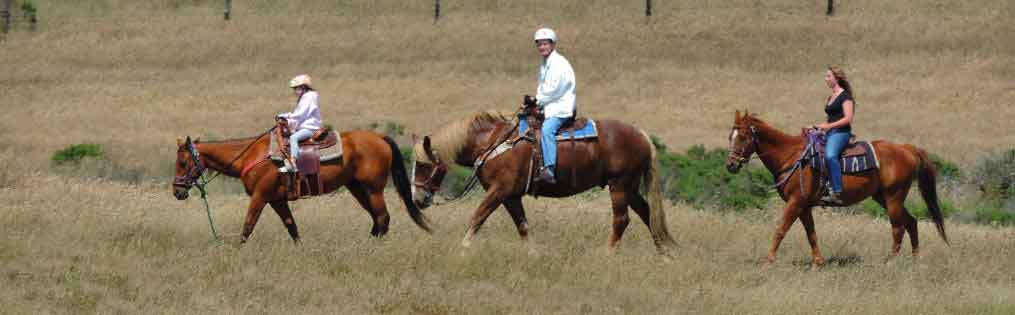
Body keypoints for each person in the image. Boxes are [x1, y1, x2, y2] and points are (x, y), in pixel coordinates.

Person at [528, 28, 576, 184]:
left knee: (547, 130)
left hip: (561, 107)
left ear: (553, 45)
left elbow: (554, 89)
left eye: (545, 44)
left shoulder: (558, 63)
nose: (542, 47)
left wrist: (537, 100)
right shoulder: (545, 63)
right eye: (539, 45)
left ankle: (549, 168)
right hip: (550, 105)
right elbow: (543, 87)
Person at [814, 66, 855, 204]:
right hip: (830, 132)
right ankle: (820, 186)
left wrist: (828, 127)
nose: (826, 79)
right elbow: (830, 118)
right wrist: (818, 128)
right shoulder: (831, 97)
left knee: (830, 155)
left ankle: (836, 192)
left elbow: (848, 118)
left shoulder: (845, 96)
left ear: (836, 78)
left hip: (841, 133)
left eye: (828, 76)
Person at [276, 74, 322, 173]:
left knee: (294, 138)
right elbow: (298, 115)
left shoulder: (309, 97)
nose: (295, 91)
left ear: (303, 87)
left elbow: (300, 114)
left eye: (296, 88)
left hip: (310, 128)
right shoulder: (306, 97)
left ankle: (293, 164)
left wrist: (285, 116)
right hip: (305, 126)